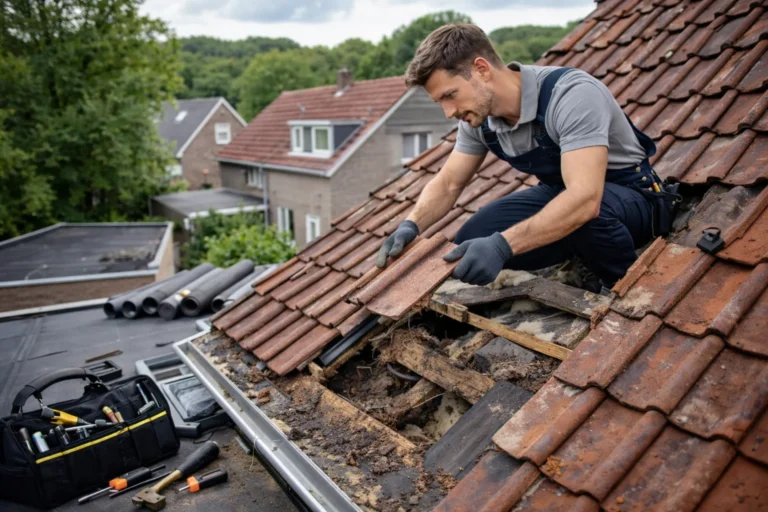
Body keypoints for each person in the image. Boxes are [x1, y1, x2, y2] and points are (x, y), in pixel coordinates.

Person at [376, 24, 679, 292]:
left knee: (587, 216)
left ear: (481, 69)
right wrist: (410, 225)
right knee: (471, 238)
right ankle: (581, 251)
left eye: (449, 95)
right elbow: (449, 183)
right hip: (561, 193)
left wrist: (503, 246)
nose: (448, 112)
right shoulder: (478, 118)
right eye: (439, 101)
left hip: (631, 199)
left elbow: (586, 199)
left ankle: (620, 289)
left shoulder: (571, 95)